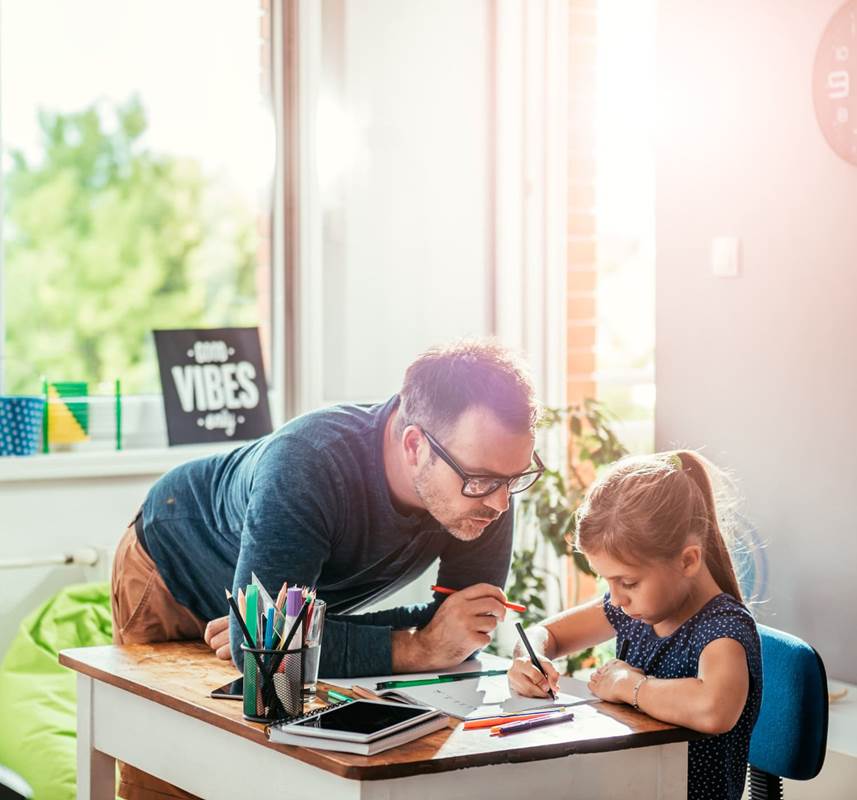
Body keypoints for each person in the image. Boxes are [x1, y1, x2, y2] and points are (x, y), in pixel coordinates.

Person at [111, 339, 543, 799]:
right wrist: (415, 649)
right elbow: (271, 658)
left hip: (289, 602)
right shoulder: (308, 463)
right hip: (174, 567)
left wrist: (281, 637)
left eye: (513, 479)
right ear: (415, 445)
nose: (499, 503)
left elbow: (456, 629)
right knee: (171, 773)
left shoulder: (485, 483)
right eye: (481, 481)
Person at [507, 450, 762, 800]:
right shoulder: (634, 609)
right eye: (607, 582)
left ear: (688, 560)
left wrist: (629, 685)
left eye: (627, 582)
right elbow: (544, 633)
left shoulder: (723, 628)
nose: (616, 598)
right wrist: (529, 657)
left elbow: (714, 708)